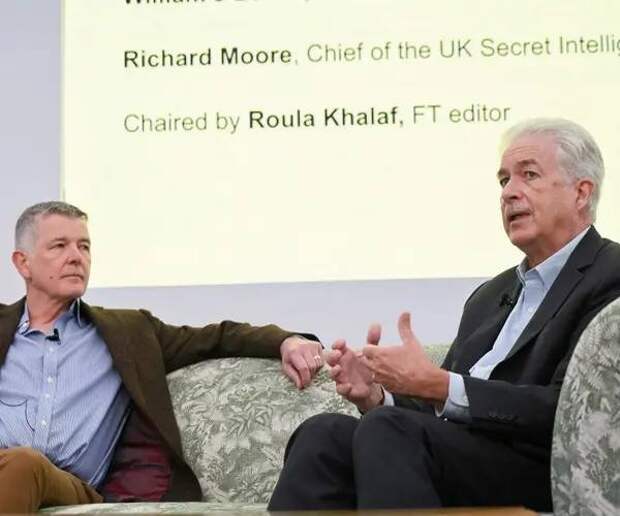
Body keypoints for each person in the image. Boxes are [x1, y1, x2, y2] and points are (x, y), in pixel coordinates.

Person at [268, 118, 620, 512]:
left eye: (529, 175)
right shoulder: (489, 295)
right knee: (324, 434)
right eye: (503, 180)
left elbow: (576, 409)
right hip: (459, 456)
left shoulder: (610, 274)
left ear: (581, 193)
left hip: (541, 469)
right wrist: (378, 395)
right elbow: (437, 412)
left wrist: (440, 386)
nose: (508, 193)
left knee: (388, 430)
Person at [0, 201, 324, 512]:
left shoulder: (128, 332)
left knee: (25, 463)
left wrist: (285, 341)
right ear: (22, 263)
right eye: (59, 246)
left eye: (84, 246)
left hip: (66, 485)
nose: (76, 257)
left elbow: (217, 338)